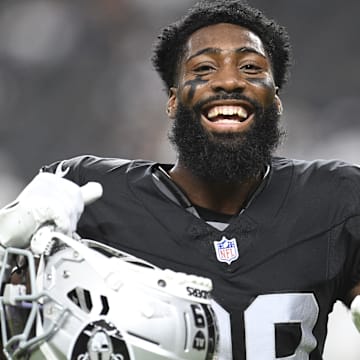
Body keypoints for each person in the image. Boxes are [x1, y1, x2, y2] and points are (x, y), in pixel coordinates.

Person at [1, 0, 360, 359]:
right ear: (173, 100)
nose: (229, 81)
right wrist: (11, 249)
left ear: (276, 98)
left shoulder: (335, 199)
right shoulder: (88, 195)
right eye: (203, 68)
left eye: (251, 67)